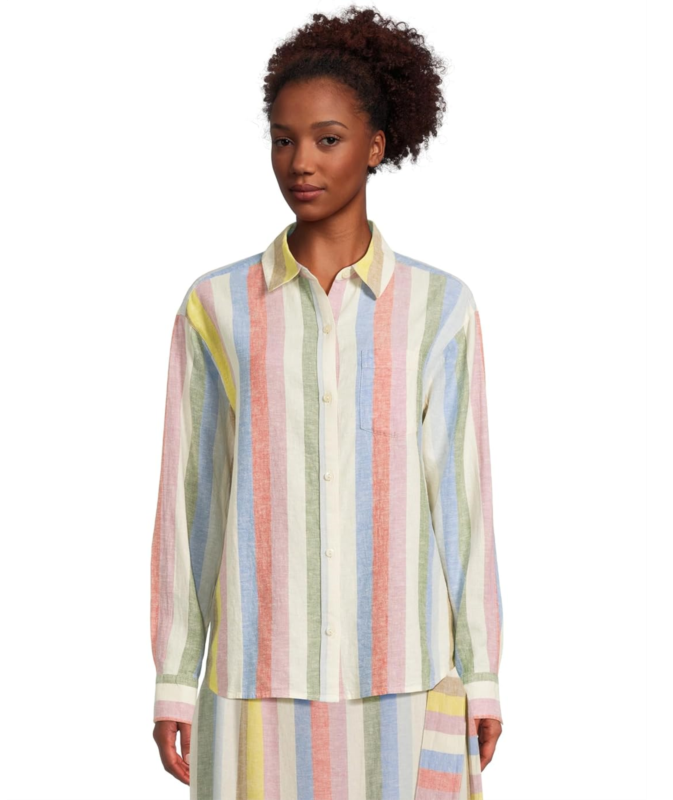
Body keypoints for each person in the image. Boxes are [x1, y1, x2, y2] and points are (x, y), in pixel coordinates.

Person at [150, 6, 504, 798]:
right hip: (256, 684)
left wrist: (481, 671)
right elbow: (191, 503)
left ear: (375, 146)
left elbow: (463, 502)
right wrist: (175, 675)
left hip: (407, 679)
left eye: (327, 139)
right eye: (283, 139)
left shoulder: (439, 308)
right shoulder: (215, 308)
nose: (300, 162)